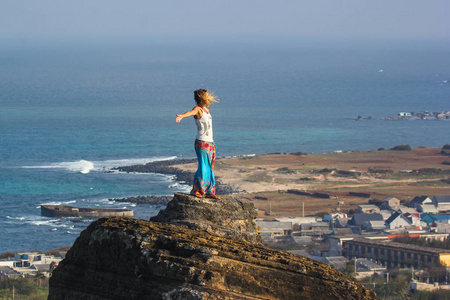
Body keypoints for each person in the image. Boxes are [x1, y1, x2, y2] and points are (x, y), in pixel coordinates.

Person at [175, 89, 220, 199]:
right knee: (203, 167)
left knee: (210, 167)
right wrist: (181, 116)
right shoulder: (198, 109)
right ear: (203, 98)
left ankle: (210, 191)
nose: (209, 97)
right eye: (207, 96)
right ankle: (197, 191)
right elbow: (191, 113)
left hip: (210, 143)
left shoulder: (206, 109)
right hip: (202, 143)